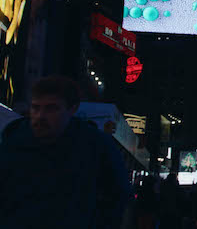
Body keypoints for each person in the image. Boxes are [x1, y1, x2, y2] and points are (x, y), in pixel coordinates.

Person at [0, 76, 133, 228]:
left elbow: (118, 196)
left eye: (51, 108)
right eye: (36, 108)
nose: (40, 116)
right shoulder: (14, 139)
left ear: (72, 109)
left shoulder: (96, 146)